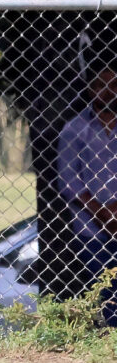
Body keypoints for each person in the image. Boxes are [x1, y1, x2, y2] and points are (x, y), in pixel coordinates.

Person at [57, 58, 117, 326]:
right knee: (105, 290)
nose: (107, 91)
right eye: (100, 85)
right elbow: (69, 180)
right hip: (90, 228)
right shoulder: (74, 129)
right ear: (91, 89)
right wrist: (102, 214)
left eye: (113, 85)